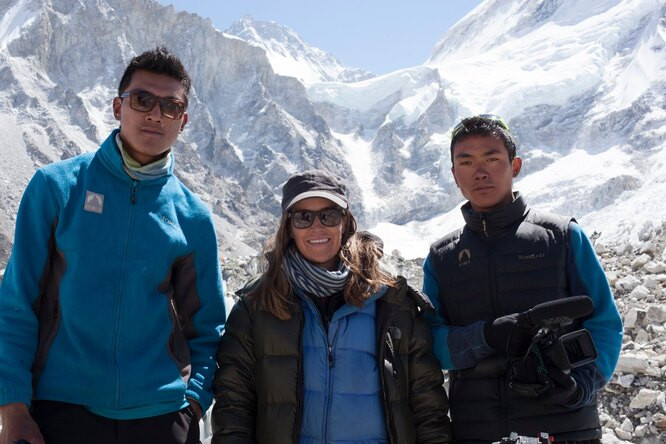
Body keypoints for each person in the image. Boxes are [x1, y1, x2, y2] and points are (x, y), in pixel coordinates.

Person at [0, 47, 226, 444]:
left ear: (184, 121)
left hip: (163, 416)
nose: (155, 114)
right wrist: (13, 405)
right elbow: (17, 304)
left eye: (171, 106)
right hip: (61, 410)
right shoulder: (56, 188)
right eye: (142, 100)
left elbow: (208, 327)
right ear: (118, 107)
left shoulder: (193, 217)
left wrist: (192, 403)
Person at [211, 170, 454, 444]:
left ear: (345, 221)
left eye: (329, 215)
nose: (317, 227)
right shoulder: (257, 304)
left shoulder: (391, 301)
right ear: (288, 226)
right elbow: (234, 403)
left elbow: (427, 403)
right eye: (303, 217)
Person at [422, 115, 622, 443]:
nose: (480, 172)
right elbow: (431, 342)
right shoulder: (441, 258)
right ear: (454, 175)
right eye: (466, 162)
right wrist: (487, 336)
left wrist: (580, 387)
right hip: (478, 429)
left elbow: (604, 323)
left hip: (565, 427)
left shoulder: (562, 237)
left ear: (514, 166)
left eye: (491, 158)